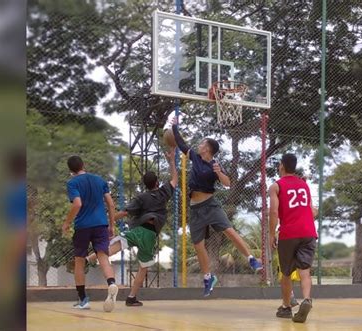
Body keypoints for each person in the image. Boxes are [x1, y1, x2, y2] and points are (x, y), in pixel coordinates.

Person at [171, 117, 262, 297]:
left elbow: (228, 183)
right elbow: (181, 144)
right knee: (198, 245)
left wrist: (220, 173)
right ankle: (208, 277)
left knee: (229, 230)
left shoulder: (214, 165)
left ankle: (251, 259)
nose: (199, 144)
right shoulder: (195, 158)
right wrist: (174, 127)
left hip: (211, 205)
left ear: (208, 148)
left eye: (202, 143)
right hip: (195, 208)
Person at [85, 148, 177, 306]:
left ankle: (89, 258)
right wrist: (172, 160)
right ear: (157, 182)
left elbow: (124, 212)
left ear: (145, 185)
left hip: (137, 230)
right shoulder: (164, 193)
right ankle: (131, 297)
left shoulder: (141, 197)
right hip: (149, 234)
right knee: (143, 267)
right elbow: (175, 178)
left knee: (115, 245)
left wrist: (106, 219)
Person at [62, 156, 118, 312]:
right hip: (101, 224)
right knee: (103, 256)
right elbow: (111, 204)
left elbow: (77, 203)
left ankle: (83, 299)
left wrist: (67, 222)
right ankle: (112, 283)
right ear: (83, 165)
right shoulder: (99, 180)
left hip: (83, 227)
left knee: (79, 260)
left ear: (70, 170)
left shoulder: (72, 183)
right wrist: (111, 225)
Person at [269, 153, 318, 323]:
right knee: (304, 270)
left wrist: (271, 234)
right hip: (309, 232)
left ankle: (286, 307)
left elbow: (274, 212)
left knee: (287, 273)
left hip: (289, 233)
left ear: (281, 166)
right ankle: (306, 299)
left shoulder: (276, 186)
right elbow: (313, 212)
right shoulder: (304, 186)